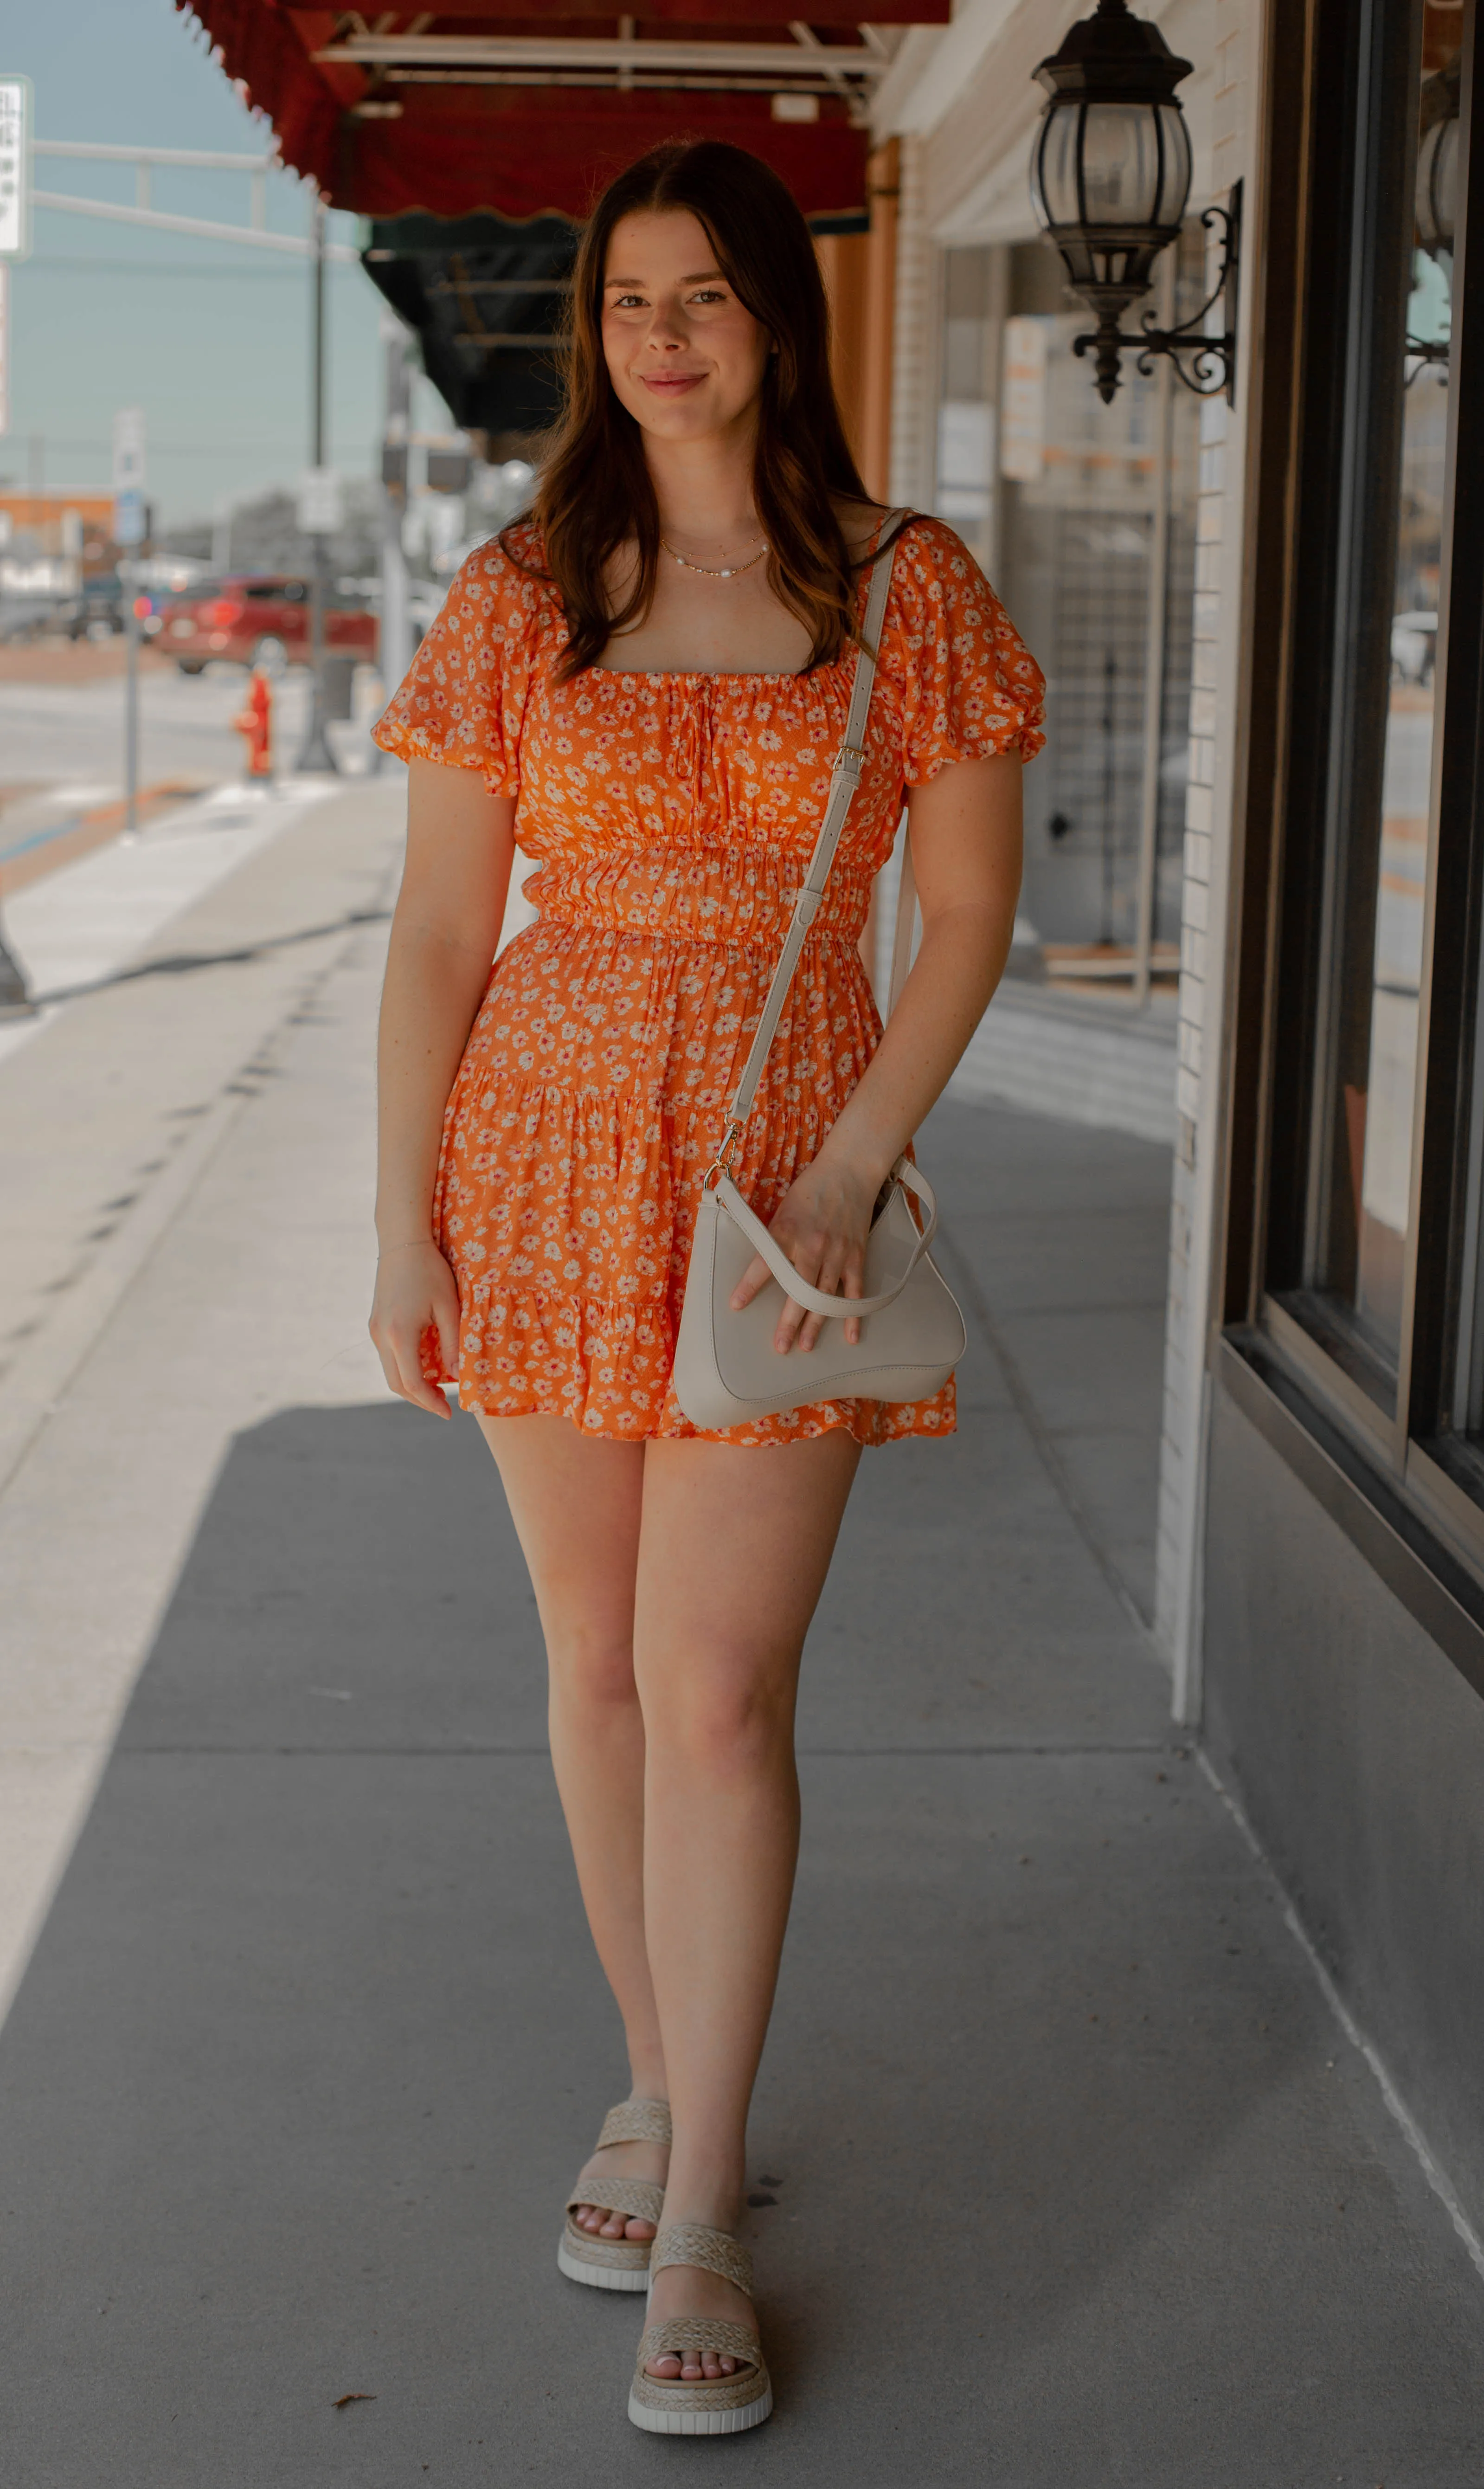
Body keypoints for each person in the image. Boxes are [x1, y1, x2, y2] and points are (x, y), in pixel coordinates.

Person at [369, 137, 1043, 2437]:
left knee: (722, 1688)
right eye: (627, 298)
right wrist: (399, 1223)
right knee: (593, 1665)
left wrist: (864, 1162)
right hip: (539, 1153)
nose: (661, 333)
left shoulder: (902, 586)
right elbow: (444, 934)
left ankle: (704, 2212)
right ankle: (653, 2085)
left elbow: (963, 916)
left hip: (779, 1189)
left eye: (704, 293)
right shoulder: (523, 583)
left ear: (779, 314)